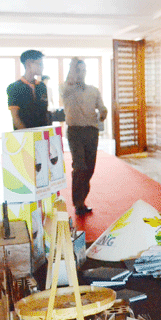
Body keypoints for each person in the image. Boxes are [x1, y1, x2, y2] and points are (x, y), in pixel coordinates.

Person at [62, 58, 108, 216]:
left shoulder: (93, 90)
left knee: (89, 168)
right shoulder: (66, 89)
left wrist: (103, 113)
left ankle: (82, 198)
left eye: (83, 70)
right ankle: (78, 203)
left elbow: (101, 107)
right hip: (75, 132)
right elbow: (68, 84)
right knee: (79, 166)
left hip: (91, 131)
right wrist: (72, 69)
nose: (82, 73)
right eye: (78, 70)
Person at [7, 50, 49, 129]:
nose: (42, 67)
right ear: (29, 63)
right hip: (24, 136)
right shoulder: (14, 87)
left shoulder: (42, 86)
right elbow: (15, 118)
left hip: (42, 134)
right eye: (40, 64)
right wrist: (28, 136)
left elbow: (44, 113)